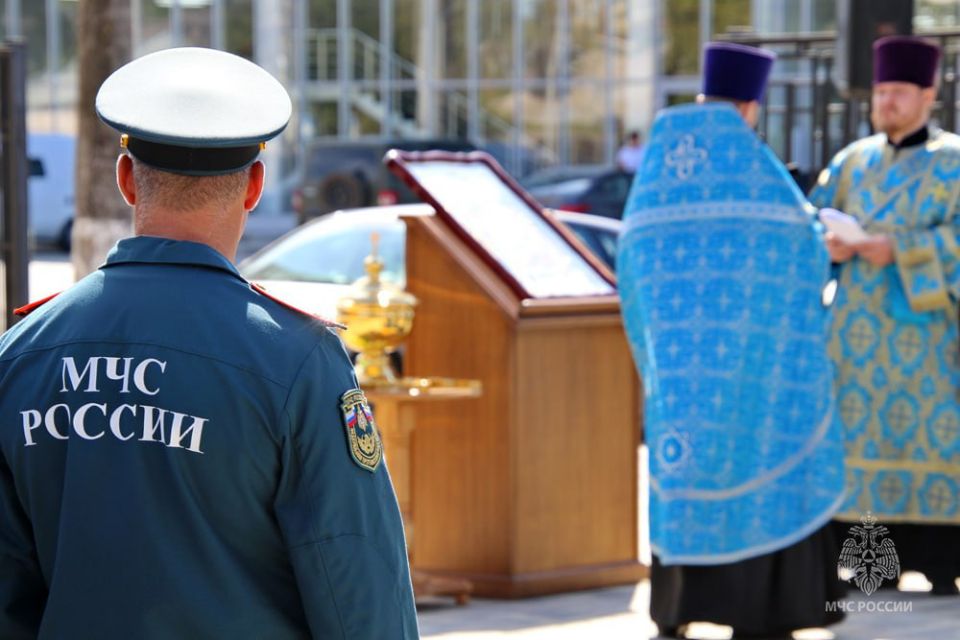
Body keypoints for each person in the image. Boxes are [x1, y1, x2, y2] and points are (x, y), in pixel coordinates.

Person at [0, 47, 419, 638]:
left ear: (126, 180)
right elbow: (354, 579)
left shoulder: (22, 354)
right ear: (253, 186)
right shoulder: (296, 359)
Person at [617, 41, 846, 639]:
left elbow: (630, 266)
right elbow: (804, 252)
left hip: (679, 374)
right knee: (756, 454)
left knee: (684, 471)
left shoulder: (659, 167)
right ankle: (755, 612)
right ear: (750, 106)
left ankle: (675, 611)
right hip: (749, 369)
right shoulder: (753, 169)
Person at [809, 35, 960, 596]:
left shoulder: (954, 161)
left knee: (931, 438)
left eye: (899, 91)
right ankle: (874, 566)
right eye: (881, 91)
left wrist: (898, 250)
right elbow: (813, 222)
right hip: (856, 337)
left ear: (929, 95)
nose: (887, 102)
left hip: (930, 339)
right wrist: (833, 245)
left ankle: (942, 565)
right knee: (861, 446)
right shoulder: (853, 161)